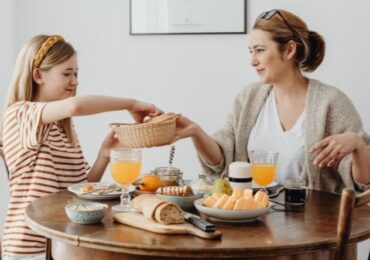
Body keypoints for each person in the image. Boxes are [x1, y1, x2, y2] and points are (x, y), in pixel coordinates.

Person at [173, 9, 370, 194]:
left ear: (289, 50)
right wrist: (195, 131)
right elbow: (222, 162)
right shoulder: (249, 97)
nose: (253, 61)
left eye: (260, 50)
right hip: (254, 219)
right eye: (251, 51)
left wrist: (358, 145)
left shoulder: (330, 102)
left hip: (314, 225)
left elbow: (363, 184)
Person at [0, 34, 162, 259]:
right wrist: (132, 104)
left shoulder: (61, 128)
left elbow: (80, 189)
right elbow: (75, 106)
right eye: (67, 73)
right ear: (38, 75)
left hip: (63, 242)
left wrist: (104, 154)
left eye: (76, 73)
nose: (75, 81)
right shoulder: (19, 115)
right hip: (31, 247)